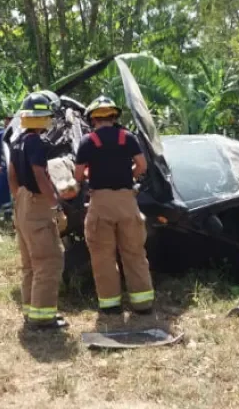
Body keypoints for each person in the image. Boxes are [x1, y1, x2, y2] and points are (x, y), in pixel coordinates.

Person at [74, 96, 154, 315]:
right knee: (134, 253)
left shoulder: (88, 142)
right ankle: (142, 303)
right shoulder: (127, 138)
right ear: (114, 116)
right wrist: (127, 175)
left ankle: (110, 305)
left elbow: (78, 175)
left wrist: (91, 174)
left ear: (93, 119)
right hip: (127, 202)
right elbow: (142, 165)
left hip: (101, 203)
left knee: (103, 256)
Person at [9, 93, 68, 329]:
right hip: (36, 203)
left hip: (22, 203)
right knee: (49, 260)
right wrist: (54, 204)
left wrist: (20, 199)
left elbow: (11, 175)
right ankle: (43, 317)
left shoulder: (17, 141)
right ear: (43, 117)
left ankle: (30, 310)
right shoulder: (37, 143)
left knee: (30, 263)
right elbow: (40, 175)